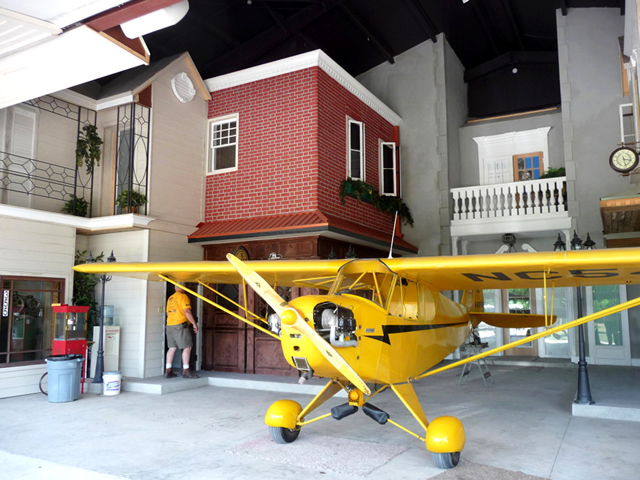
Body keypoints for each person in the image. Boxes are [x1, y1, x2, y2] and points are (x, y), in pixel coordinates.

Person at [165, 282, 199, 378]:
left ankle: (168, 370)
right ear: (183, 287)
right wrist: (194, 324)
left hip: (169, 325)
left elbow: (168, 313)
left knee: (172, 348)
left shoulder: (170, 298)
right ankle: (186, 370)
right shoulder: (183, 297)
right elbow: (187, 311)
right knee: (187, 346)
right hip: (180, 325)